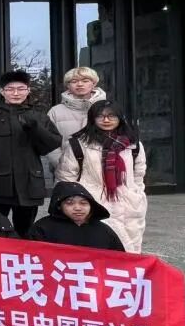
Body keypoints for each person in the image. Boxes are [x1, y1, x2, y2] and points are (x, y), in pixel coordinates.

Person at [30, 181, 125, 326]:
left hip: (92, 282)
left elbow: (121, 261)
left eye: (83, 203)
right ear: (59, 205)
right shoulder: (43, 227)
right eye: (70, 203)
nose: (78, 208)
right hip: (56, 283)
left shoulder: (103, 231)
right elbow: (31, 260)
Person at [0, 71, 62, 237]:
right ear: (2, 91)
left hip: (29, 184)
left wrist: (35, 128)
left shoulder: (38, 115)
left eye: (21, 89)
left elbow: (51, 144)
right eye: (10, 89)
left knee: (25, 231)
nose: (16, 93)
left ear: (28, 90)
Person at [56, 100, 147, 253]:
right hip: (93, 201)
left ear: (120, 118)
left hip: (129, 202)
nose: (106, 120)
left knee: (131, 247)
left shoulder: (133, 145)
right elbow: (66, 177)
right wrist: (76, 202)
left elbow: (139, 174)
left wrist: (136, 193)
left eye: (111, 116)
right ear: (92, 118)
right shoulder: (78, 144)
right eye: (100, 116)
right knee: (97, 247)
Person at [47, 67, 108, 174]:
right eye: (74, 81)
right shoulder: (55, 112)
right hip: (68, 172)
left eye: (85, 81)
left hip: (104, 170)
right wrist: (63, 165)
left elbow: (121, 137)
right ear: (68, 85)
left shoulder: (108, 108)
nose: (80, 84)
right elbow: (49, 142)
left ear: (94, 84)